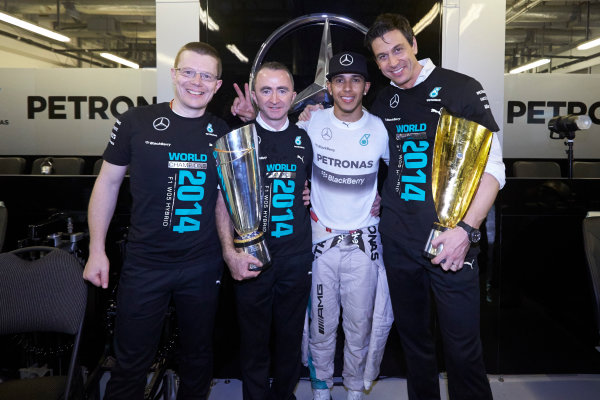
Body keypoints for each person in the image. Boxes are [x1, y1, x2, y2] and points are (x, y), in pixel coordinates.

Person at [365, 13, 506, 400]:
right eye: (381, 57)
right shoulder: (382, 99)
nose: (392, 62)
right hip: (398, 241)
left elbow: (494, 168)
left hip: (452, 242)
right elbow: (377, 157)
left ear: (414, 43)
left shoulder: (460, 89)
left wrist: (467, 231)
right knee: (415, 348)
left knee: (462, 352)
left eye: (397, 49)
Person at [83, 41, 234, 400]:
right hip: (144, 264)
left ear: (217, 85)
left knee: (198, 359)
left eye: (206, 76)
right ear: (173, 74)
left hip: (201, 265)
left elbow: (225, 200)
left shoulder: (222, 132)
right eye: (188, 72)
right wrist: (96, 250)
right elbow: (107, 183)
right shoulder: (136, 122)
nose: (196, 82)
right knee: (130, 362)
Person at [296, 51, 391, 400]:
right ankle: (321, 389)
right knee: (321, 326)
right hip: (320, 244)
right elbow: (280, 152)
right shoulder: (311, 122)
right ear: (330, 86)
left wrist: (387, 200)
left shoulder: (379, 129)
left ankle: (353, 389)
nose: (347, 88)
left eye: (355, 80)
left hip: (364, 245)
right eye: (339, 80)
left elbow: (405, 174)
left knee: (358, 327)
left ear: (366, 86)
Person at [223, 62, 313, 400]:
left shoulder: (306, 139)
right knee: (254, 340)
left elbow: (317, 186)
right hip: (252, 257)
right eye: (265, 90)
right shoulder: (236, 140)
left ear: (293, 96)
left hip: (296, 256)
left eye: (281, 90)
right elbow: (223, 201)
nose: (274, 98)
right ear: (254, 96)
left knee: (290, 339)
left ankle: (284, 395)